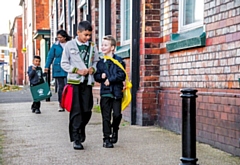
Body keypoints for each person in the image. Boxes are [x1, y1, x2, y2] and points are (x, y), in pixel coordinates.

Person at [61, 21, 99, 150]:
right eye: (85, 35)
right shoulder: (69, 45)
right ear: (78, 33)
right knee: (76, 111)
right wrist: (76, 70)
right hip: (74, 83)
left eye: (89, 35)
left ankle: (81, 128)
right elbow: (64, 63)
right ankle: (76, 138)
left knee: (87, 110)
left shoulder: (93, 47)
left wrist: (92, 70)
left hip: (87, 82)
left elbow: (96, 62)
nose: (87, 38)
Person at [94, 35, 126, 148]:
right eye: (102, 45)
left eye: (105, 45)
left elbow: (121, 74)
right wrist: (100, 76)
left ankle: (115, 129)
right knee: (106, 116)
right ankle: (106, 138)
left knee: (117, 114)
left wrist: (110, 79)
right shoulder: (100, 63)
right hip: (105, 93)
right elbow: (96, 76)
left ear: (112, 47)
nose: (103, 47)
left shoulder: (119, 61)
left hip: (116, 92)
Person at [45, 30, 72, 112]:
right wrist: (47, 66)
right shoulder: (55, 46)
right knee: (61, 87)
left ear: (65, 37)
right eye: (58, 37)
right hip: (58, 68)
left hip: (69, 67)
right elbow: (50, 56)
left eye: (60, 37)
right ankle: (61, 104)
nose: (59, 39)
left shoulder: (70, 44)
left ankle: (69, 103)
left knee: (69, 86)